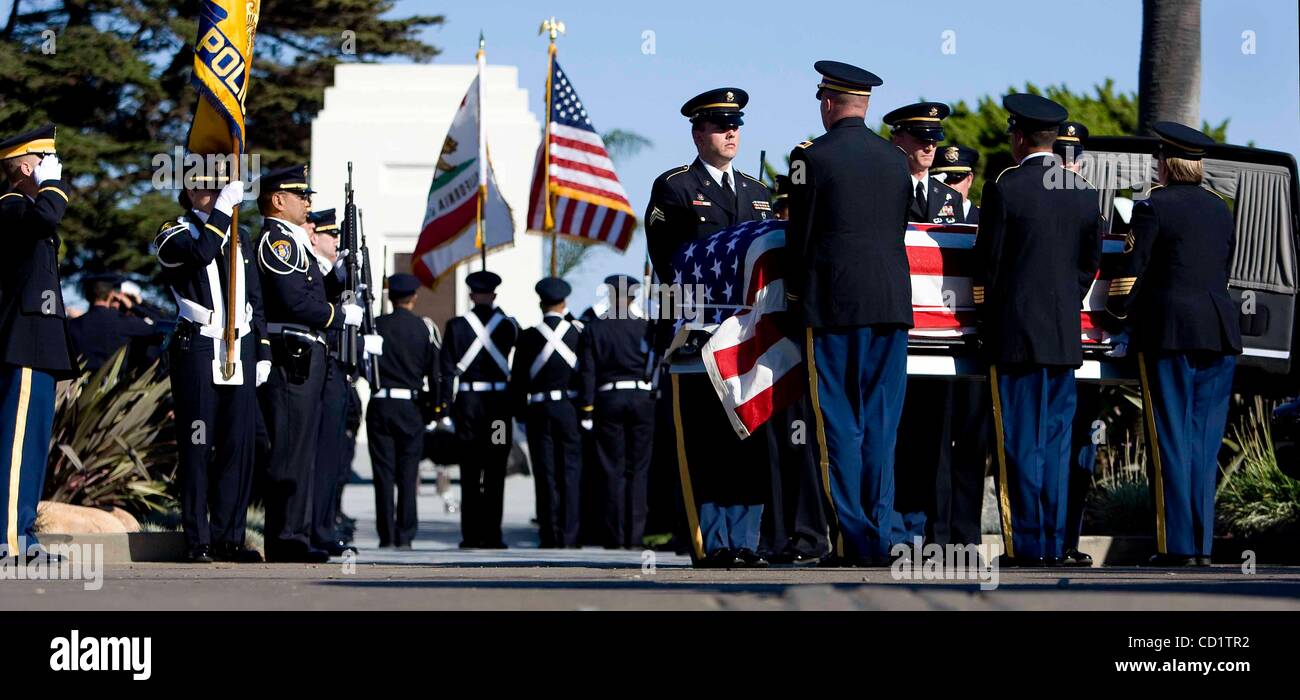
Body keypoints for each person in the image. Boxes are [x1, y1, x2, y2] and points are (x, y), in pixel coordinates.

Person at [784, 62, 913, 567]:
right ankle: (879, 535)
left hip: (834, 305)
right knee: (882, 422)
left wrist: (796, 298)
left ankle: (854, 540)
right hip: (891, 304)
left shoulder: (810, 158)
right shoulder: (895, 159)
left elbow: (800, 238)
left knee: (837, 422)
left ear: (828, 103)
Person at [1101, 121, 1241, 567]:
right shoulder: (1221, 209)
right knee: (1203, 441)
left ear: (1166, 163)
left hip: (1169, 333)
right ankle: (1201, 545)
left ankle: (1176, 545)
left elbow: (1130, 273)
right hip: (1218, 332)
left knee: (1171, 437)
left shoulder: (1153, 207)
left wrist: (1114, 315)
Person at [973, 94, 1103, 567]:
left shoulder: (1005, 188)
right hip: (1063, 337)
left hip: (1015, 336)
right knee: (1054, 442)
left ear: (1021, 137)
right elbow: (1089, 265)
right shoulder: (1084, 194)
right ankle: (1051, 542)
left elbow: (988, 263)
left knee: (1019, 441)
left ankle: (1026, 546)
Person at [645, 87, 771, 568]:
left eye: (736, 124)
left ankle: (747, 539)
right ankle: (712, 540)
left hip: (751, 337)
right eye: (721, 125)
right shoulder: (674, 187)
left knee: (748, 437)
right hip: (701, 334)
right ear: (698, 133)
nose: (731, 132)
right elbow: (667, 261)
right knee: (708, 441)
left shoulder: (758, 193)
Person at [155, 167, 268, 563]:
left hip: (241, 346)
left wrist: (264, 351)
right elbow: (202, 252)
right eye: (205, 184)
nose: (214, 190)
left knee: (238, 446)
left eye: (219, 186)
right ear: (188, 187)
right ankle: (197, 539)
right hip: (199, 347)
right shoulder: (174, 233)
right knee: (198, 445)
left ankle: (230, 537)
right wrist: (222, 212)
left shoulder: (243, 236)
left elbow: (255, 298)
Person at [255, 165, 363, 563]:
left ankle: (298, 533)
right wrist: (337, 315)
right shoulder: (276, 242)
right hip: (293, 354)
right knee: (290, 450)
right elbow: (294, 302)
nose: (308, 202)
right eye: (300, 195)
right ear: (278, 201)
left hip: (307, 354)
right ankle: (286, 537)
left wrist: (339, 274)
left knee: (304, 450)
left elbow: (310, 289)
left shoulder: (294, 241)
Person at [0, 123, 77, 562]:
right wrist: (51, 186)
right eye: (46, 160)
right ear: (27, 165)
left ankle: (23, 536)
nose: (55, 168)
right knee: (15, 445)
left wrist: (48, 186)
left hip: (40, 343)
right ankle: (8, 538)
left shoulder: (27, 210)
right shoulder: (9, 205)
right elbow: (46, 216)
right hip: (23, 341)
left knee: (30, 448)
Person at [439, 270, 517, 549]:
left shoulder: (457, 326)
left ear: (471, 295)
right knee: (495, 471)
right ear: (494, 295)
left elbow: (446, 372)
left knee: (471, 472)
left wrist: (444, 410)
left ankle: (471, 535)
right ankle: (492, 535)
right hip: (498, 409)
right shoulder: (508, 325)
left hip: (469, 407)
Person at [578, 274, 655, 550]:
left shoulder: (595, 328)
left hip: (608, 397)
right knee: (639, 470)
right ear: (633, 297)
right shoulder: (646, 327)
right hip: (641, 397)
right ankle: (634, 537)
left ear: (610, 296)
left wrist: (586, 409)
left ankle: (614, 537)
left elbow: (588, 372)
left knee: (612, 470)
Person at [510, 277, 584, 548]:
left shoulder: (529, 336)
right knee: (571, 472)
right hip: (570, 408)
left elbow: (517, 380)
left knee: (545, 473)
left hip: (539, 409)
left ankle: (549, 534)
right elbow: (586, 374)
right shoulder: (578, 334)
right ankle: (571, 535)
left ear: (541, 304)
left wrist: (519, 414)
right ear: (564, 304)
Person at [368, 273, 438, 549]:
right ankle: (405, 534)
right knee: (408, 473)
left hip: (382, 403)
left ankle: (386, 534)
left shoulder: (376, 325)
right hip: (411, 406)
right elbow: (435, 372)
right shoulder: (423, 328)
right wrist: (433, 410)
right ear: (414, 297)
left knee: (383, 473)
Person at [306, 208, 361, 557]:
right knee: (318, 458)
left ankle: (324, 525)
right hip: (317, 367)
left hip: (334, 371)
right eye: (332, 235)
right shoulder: (307, 264)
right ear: (315, 236)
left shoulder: (325, 271)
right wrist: (341, 314)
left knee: (332, 458)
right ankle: (315, 527)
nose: (337, 242)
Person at [885, 101, 964, 225]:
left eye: (934, 141)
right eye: (922, 140)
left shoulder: (951, 197)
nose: (929, 148)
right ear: (898, 140)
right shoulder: (884, 191)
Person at [69, 273, 164, 373]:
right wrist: (136, 306)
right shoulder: (124, 322)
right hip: (114, 385)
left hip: (79, 386)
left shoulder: (74, 324)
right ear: (111, 295)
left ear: (88, 296)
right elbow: (160, 326)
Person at [930, 145, 981, 224]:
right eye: (945, 180)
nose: (951, 186)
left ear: (969, 180)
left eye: (956, 179)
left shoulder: (987, 219)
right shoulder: (926, 216)